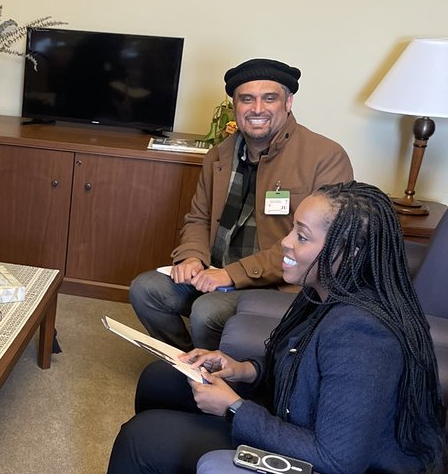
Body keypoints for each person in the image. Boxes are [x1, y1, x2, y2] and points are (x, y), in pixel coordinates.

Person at [40, 182, 445, 474]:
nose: (285, 243)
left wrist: (234, 408)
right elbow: (296, 360)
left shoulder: (363, 333)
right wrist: (240, 368)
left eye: (301, 237)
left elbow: (339, 458)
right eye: (292, 229)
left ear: (346, 252)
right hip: (302, 422)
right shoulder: (324, 292)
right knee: (160, 380)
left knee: (143, 438)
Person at [130, 58, 353, 352]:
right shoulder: (219, 155)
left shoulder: (326, 156)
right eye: (247, 99)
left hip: (280, 285)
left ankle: (223, 378)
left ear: (288, 102)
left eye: (269, 98)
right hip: (215, 272)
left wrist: (232, 275)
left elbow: (324, 245)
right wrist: (191, 258)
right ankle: (188, 363)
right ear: (235, 106)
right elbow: (198, 218)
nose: (257, 109)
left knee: (207, 312)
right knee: (145, 290)